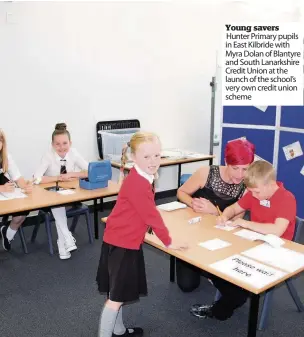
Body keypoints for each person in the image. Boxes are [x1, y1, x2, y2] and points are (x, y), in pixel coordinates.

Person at [96, 131, 188, 337]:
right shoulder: (139, 182)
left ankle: (118, 330)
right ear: (133, 157)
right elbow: (151, 215)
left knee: (116, 291)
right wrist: (168, 241)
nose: (154, 161)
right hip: (123, 244)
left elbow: (139, 212)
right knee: (115, 298)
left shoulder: (141, 176)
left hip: (121, 239)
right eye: (147, 156)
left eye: (157, 155)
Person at [190, 160, 296, 321]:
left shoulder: (286, 198)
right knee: (207, 259)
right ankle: (233, 289)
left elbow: (277, 230)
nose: (253, 196)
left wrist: (245, 223)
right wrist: (224, 216)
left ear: (270, 184)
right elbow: (234, 208)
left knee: (235, 287)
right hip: (252, 243)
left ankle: (221, 308)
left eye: (257, 192)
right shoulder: (255, 193)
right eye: (251, 192)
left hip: (275, 251)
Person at [176, 139, 255, 292]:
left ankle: (211, 269)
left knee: (231, 283)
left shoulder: (247, 186)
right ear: (227, 162)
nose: (240, 175)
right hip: (195, 232)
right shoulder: (206, 173)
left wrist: (214, 211)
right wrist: (192, 203)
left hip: (221, 238)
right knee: (187, 285)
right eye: (235, 168)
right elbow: (181, 192)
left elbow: (236, 220)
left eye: (245, 169)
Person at [33, 123, 88, 260]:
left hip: (70, 196)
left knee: (60, 204)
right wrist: (57, 178)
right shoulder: (48, 156)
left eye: (65, 143)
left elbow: (89, 171)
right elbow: (36, 178)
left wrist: (72, 175)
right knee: (57, 203)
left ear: (70, 143)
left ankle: (64, 242)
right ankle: (65, 240)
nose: (61, 147)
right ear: (52, 144)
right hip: (51, 198)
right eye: (57, 144)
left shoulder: (74, 153)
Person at [0, 129, 32, 251]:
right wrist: (1, 188)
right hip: (2, 188)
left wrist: (26, 185)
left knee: (22, 212)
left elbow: (18, 177)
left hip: (5, 192)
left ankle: (8, 234)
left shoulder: (5, 156)